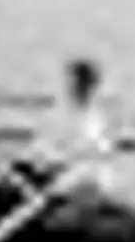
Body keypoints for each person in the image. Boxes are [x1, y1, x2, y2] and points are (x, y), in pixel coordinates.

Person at [23, 57, 119, 195]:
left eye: (75, 83)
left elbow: (86, 158)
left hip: (83, 184)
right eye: (71, 83)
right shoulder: (69, 114)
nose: (70, 87)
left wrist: (49, 165)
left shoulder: (91, 122)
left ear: (86, 87)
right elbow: (49, 146)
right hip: (67, 175)